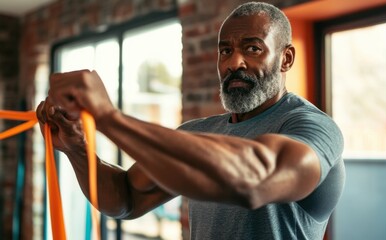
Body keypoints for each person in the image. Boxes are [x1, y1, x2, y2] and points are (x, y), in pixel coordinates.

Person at [36, 2, 345, 239]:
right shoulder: (198, 133)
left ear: (286, 59)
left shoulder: (312, 128)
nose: (234, 62)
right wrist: (78, 150)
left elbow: (255, 180)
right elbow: (127, 198)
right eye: (226, 50)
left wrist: (109, 118)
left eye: (253, 48)